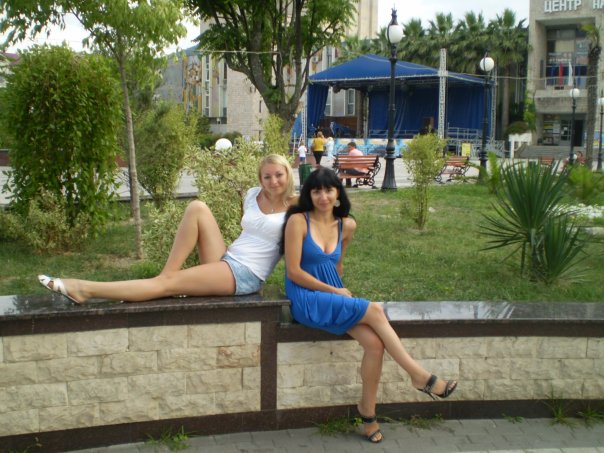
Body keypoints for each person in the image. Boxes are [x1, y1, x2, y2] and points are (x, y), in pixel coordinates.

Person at [281, 168, 457, 444]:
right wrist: (335, 293)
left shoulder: (346, 225)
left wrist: (341, 296)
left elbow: (336, 266)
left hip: (333, 295)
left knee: (374, 345)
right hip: (305, 298)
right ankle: (419, 376)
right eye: (316, 191)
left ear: (338, 193)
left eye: (328, 190)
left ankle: (367, 413)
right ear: (309, 195)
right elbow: (293, 271)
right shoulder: (298, 221)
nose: (323, 196)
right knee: (374, 310)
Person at [38, 154, 297, 304]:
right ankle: (165, 276)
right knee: (197, 207)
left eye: (279, 175)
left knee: (166, 285)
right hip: (228, 258)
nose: (273, 181)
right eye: (267, 176)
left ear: (288, 175)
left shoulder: (298, 206)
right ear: (260, 178)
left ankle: (84, 289)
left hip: (246, 273)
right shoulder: (253, 195)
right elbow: (250, 232)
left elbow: (313, 236)